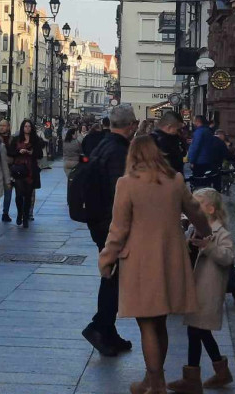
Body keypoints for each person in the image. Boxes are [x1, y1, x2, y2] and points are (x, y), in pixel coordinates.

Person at [98, 135, 211, 394]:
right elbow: (195, 210)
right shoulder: (175, 180)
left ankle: (156, 382)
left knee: (147, 323)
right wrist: (205, 232)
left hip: (139, 262)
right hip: (171, 258)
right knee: (159, 322)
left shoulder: (127, 184)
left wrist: (107, 258)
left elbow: (118, 228)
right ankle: (152, 379)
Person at [82, 105, 137, 358]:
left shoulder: (103, 144)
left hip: (97, 220)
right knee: (114, 277)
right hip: (110, 223)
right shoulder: (118, 152)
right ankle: (99, 327)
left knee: (112, 275)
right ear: (131, 126)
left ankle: (108, 331)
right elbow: (120, 195)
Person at [168, 187, 235, 393]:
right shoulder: (195, 229)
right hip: (196, 290)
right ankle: (214, 373)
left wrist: (209, 247)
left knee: (198, 331)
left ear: (211, 209)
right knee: (198, 332)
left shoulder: (220, 233)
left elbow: (228, 258)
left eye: (197, 206)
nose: (193, 210)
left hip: (209, 291)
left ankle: (194, 378)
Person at [10, 120, 41, 227]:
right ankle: (19, 214)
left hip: (30, 170)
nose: (27, 128)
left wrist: (31, 153)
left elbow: (40, 154)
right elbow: (11, 152)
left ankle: (26, 216)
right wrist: (19, 152)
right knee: (19, 195)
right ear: (22, 128)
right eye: (25, 126)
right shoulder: (16, 139)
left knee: (28, 195)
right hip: (19, 169)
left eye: (29, 126)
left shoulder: (35, 140)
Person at [187, 115, 229, 183]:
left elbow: (195, 147)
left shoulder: (199, 132)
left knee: (198, 181)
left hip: (199, 161)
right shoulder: (208, 131)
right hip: (208, 160)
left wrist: (192, 161)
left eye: (194, 121)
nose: (193, 123)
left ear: (198, 121)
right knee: (206, 181)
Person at [0, 119, 14, 222]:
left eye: (4, 126)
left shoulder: (12, 139)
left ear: (8, 127)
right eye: (0, 125)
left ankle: (5, 213)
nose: (2, 127)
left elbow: (14, 153)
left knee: (8, 192)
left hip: (9, 168)